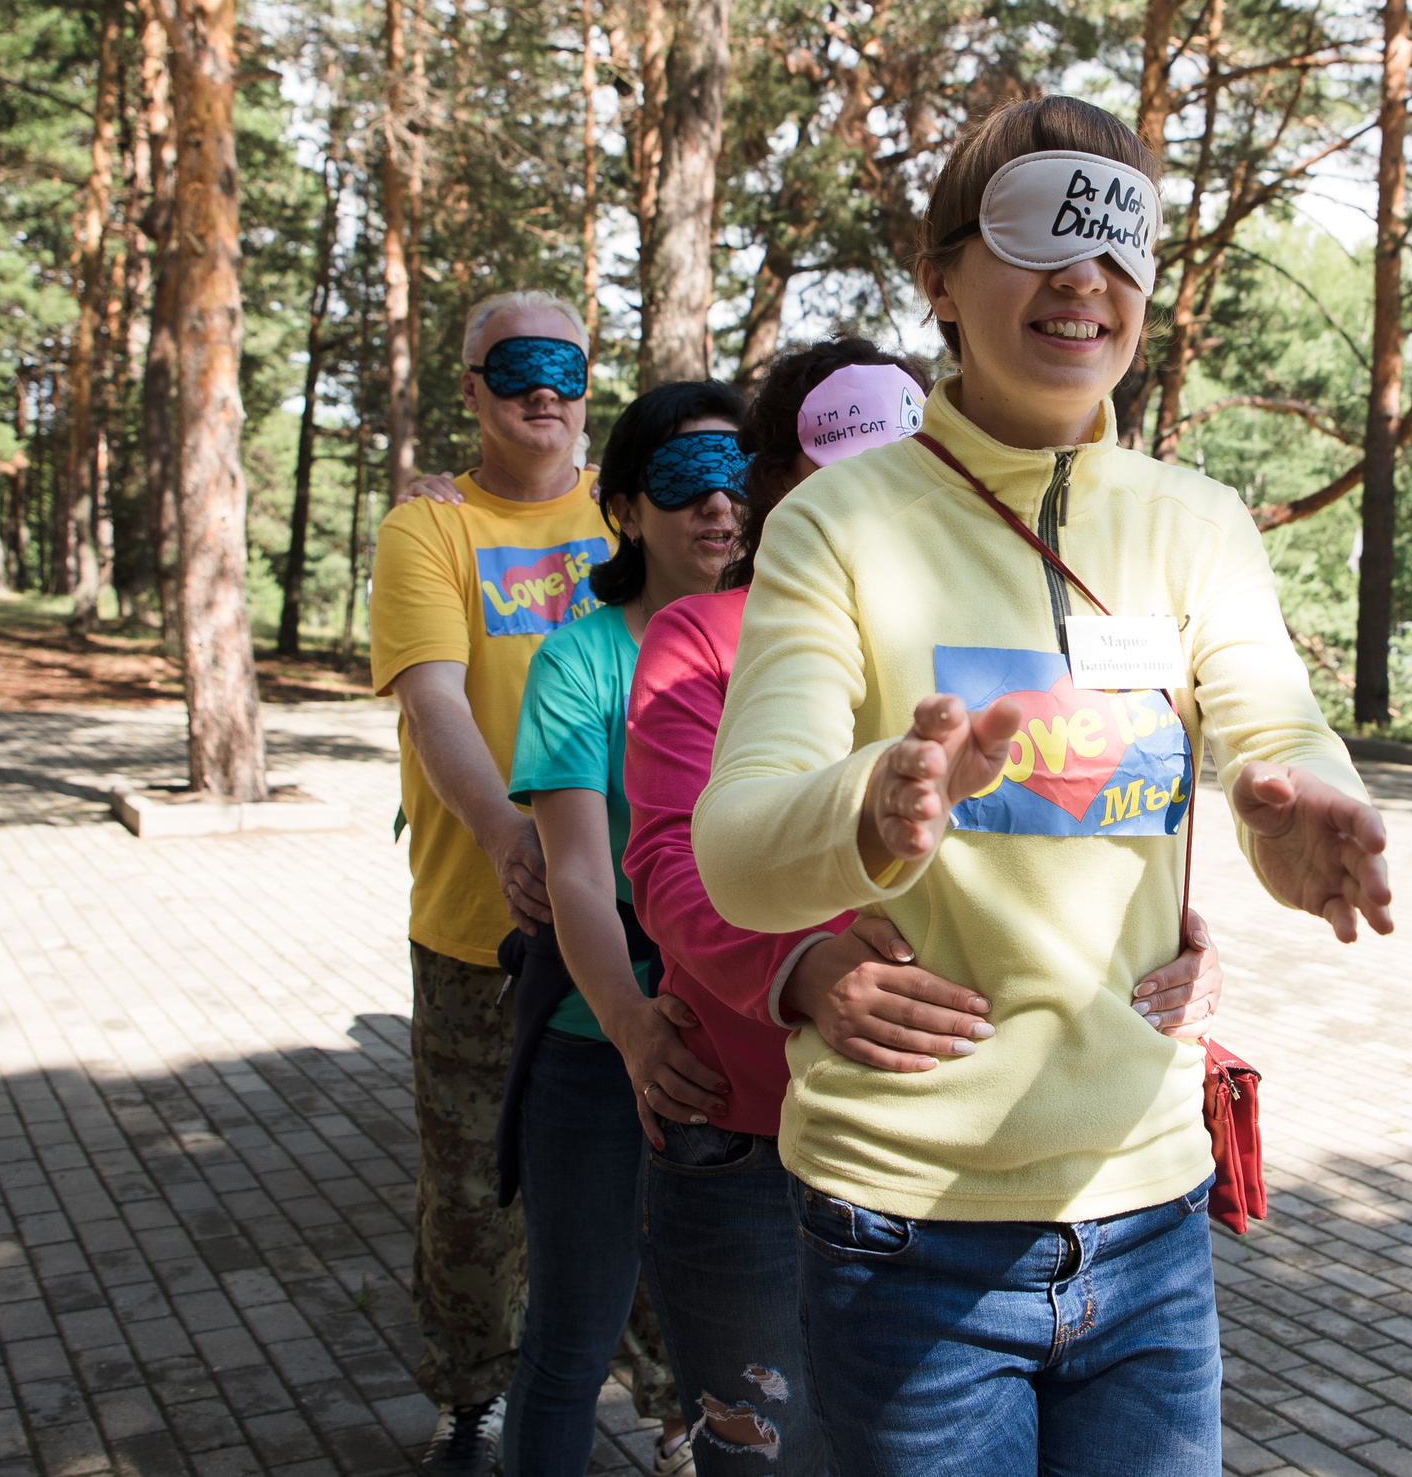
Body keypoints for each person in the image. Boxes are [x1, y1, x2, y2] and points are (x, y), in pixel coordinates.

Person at [693, 95, 1395, 1477]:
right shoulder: (838, 524)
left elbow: (1273, 728)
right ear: (941, 280)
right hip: (908, 1232)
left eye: (1120, 242)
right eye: (1039, 235)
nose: (1086, 279)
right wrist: (884, 798)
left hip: (1147, 1204)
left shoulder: (1195, 523)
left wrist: (1309, 814)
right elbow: (736, 851)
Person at [620, 337, 1226, 1476]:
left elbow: (1115, 818)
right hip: (759, 1125)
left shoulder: (1058, 599)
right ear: (780, 484)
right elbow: (665, 859)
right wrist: (796, 965)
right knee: (759, 1455)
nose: (897, 475)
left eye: (910, 441)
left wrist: (1186, 946)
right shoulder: (705, 635)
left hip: (1041, 1159)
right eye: (842, 450)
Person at [369, 290, 613, 1475]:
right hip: (483, 922)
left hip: (641, 912)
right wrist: (509, 839)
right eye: (513, 365)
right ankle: (473, 1391)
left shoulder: (634, 508)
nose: (543, 386)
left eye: (563, 363)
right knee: (475, 1181)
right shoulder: (430, 528)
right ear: (468, 386)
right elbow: (433, 697)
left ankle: (679, 1399)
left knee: (668, 1155)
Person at [498, 380, 748, 1475]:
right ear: (627, 509)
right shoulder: (579, 661)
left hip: (757, 1052)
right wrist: (638, 1030)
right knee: (571, 1333)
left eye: (742, 477)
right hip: (601, 1044)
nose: (720, 507)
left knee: (749, 1356)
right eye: (686, 482)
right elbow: (577, 879)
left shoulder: (802, 650)